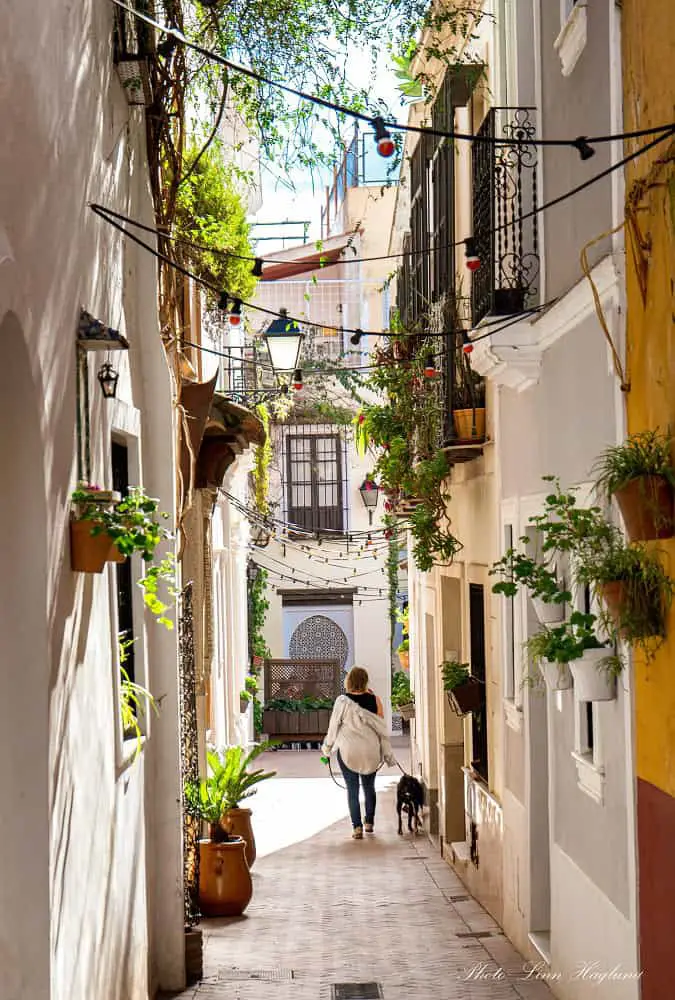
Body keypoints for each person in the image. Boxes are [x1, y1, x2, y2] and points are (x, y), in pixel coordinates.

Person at [321, 666, 396, 839]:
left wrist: (327, 749)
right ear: (365, 681)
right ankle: (369, 822)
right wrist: (387, 754)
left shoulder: (342, 701)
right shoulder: (375, 700)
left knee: (352, 789)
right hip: (371, 752)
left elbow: (333, 728)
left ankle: (357, 827)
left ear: (349, 681)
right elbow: (382, 731)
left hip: (348, 752)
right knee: (369, 787)